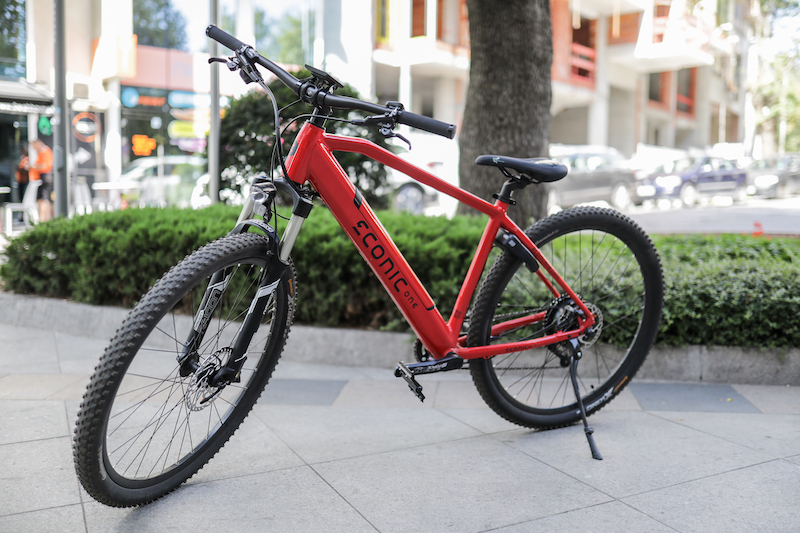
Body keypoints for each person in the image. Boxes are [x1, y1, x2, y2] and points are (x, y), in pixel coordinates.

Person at [26, 138, 53, 222]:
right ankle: (46, 219)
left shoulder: (44, 151)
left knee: (42, 200)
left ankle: (42, 219)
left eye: (33, 146)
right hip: (44, 178)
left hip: (44, 177)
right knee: (44, 199)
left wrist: (32, 167)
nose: (33, 149)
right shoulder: (43, 152)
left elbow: (44, 166)